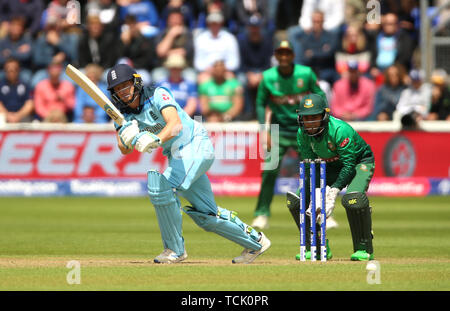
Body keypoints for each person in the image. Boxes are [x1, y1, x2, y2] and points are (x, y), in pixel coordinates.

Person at [106, 63, 271, 263]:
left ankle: (174, 250)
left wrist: (154, 139)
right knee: (207, 216)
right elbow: (123, 149)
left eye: (126, 85)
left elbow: (175, 124)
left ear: (136, 82)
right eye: (117, 88)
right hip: (177, 156)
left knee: (161, 187)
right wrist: (128, 137)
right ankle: (256, 242)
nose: (123, 92)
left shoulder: (157, 94)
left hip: (195, 144)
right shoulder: (121, 114)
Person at [286, 93, 376, 261]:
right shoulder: (302, 134)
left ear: (324, 115)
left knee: (353, 199)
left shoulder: (340, 130)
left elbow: (349, 166)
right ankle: (316, 246)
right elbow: (309, 165)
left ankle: (364, 248)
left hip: (358, 163)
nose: (310, 123)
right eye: (306, 118)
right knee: (297, 199)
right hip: (329, 166)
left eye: (314, 117)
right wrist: (314, 195)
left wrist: (333, 192)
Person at [251, 40, 326, 230]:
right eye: (280, 54)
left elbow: (320, 96)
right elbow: (260, 103)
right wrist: (264, 130)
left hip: (305, 129)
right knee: (269, 171)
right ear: (276, 56)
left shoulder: (305, 73)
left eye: (287, 53)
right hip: (278, 129)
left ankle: (320, 211)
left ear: (292, 55)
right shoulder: (268, 77)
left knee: (312, 171)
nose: (284, 57)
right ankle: (261, 214)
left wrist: (320, 121)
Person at [0, 58, 34, 123]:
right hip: (3, 117)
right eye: (8, 69)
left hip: (22, 117)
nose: (11, 70)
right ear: (5, 70)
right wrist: (7, 115)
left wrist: (18, 115)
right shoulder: (0, 85)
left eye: (14, 69)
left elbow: (30, 104)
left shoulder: (26, 86)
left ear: (19, 70)